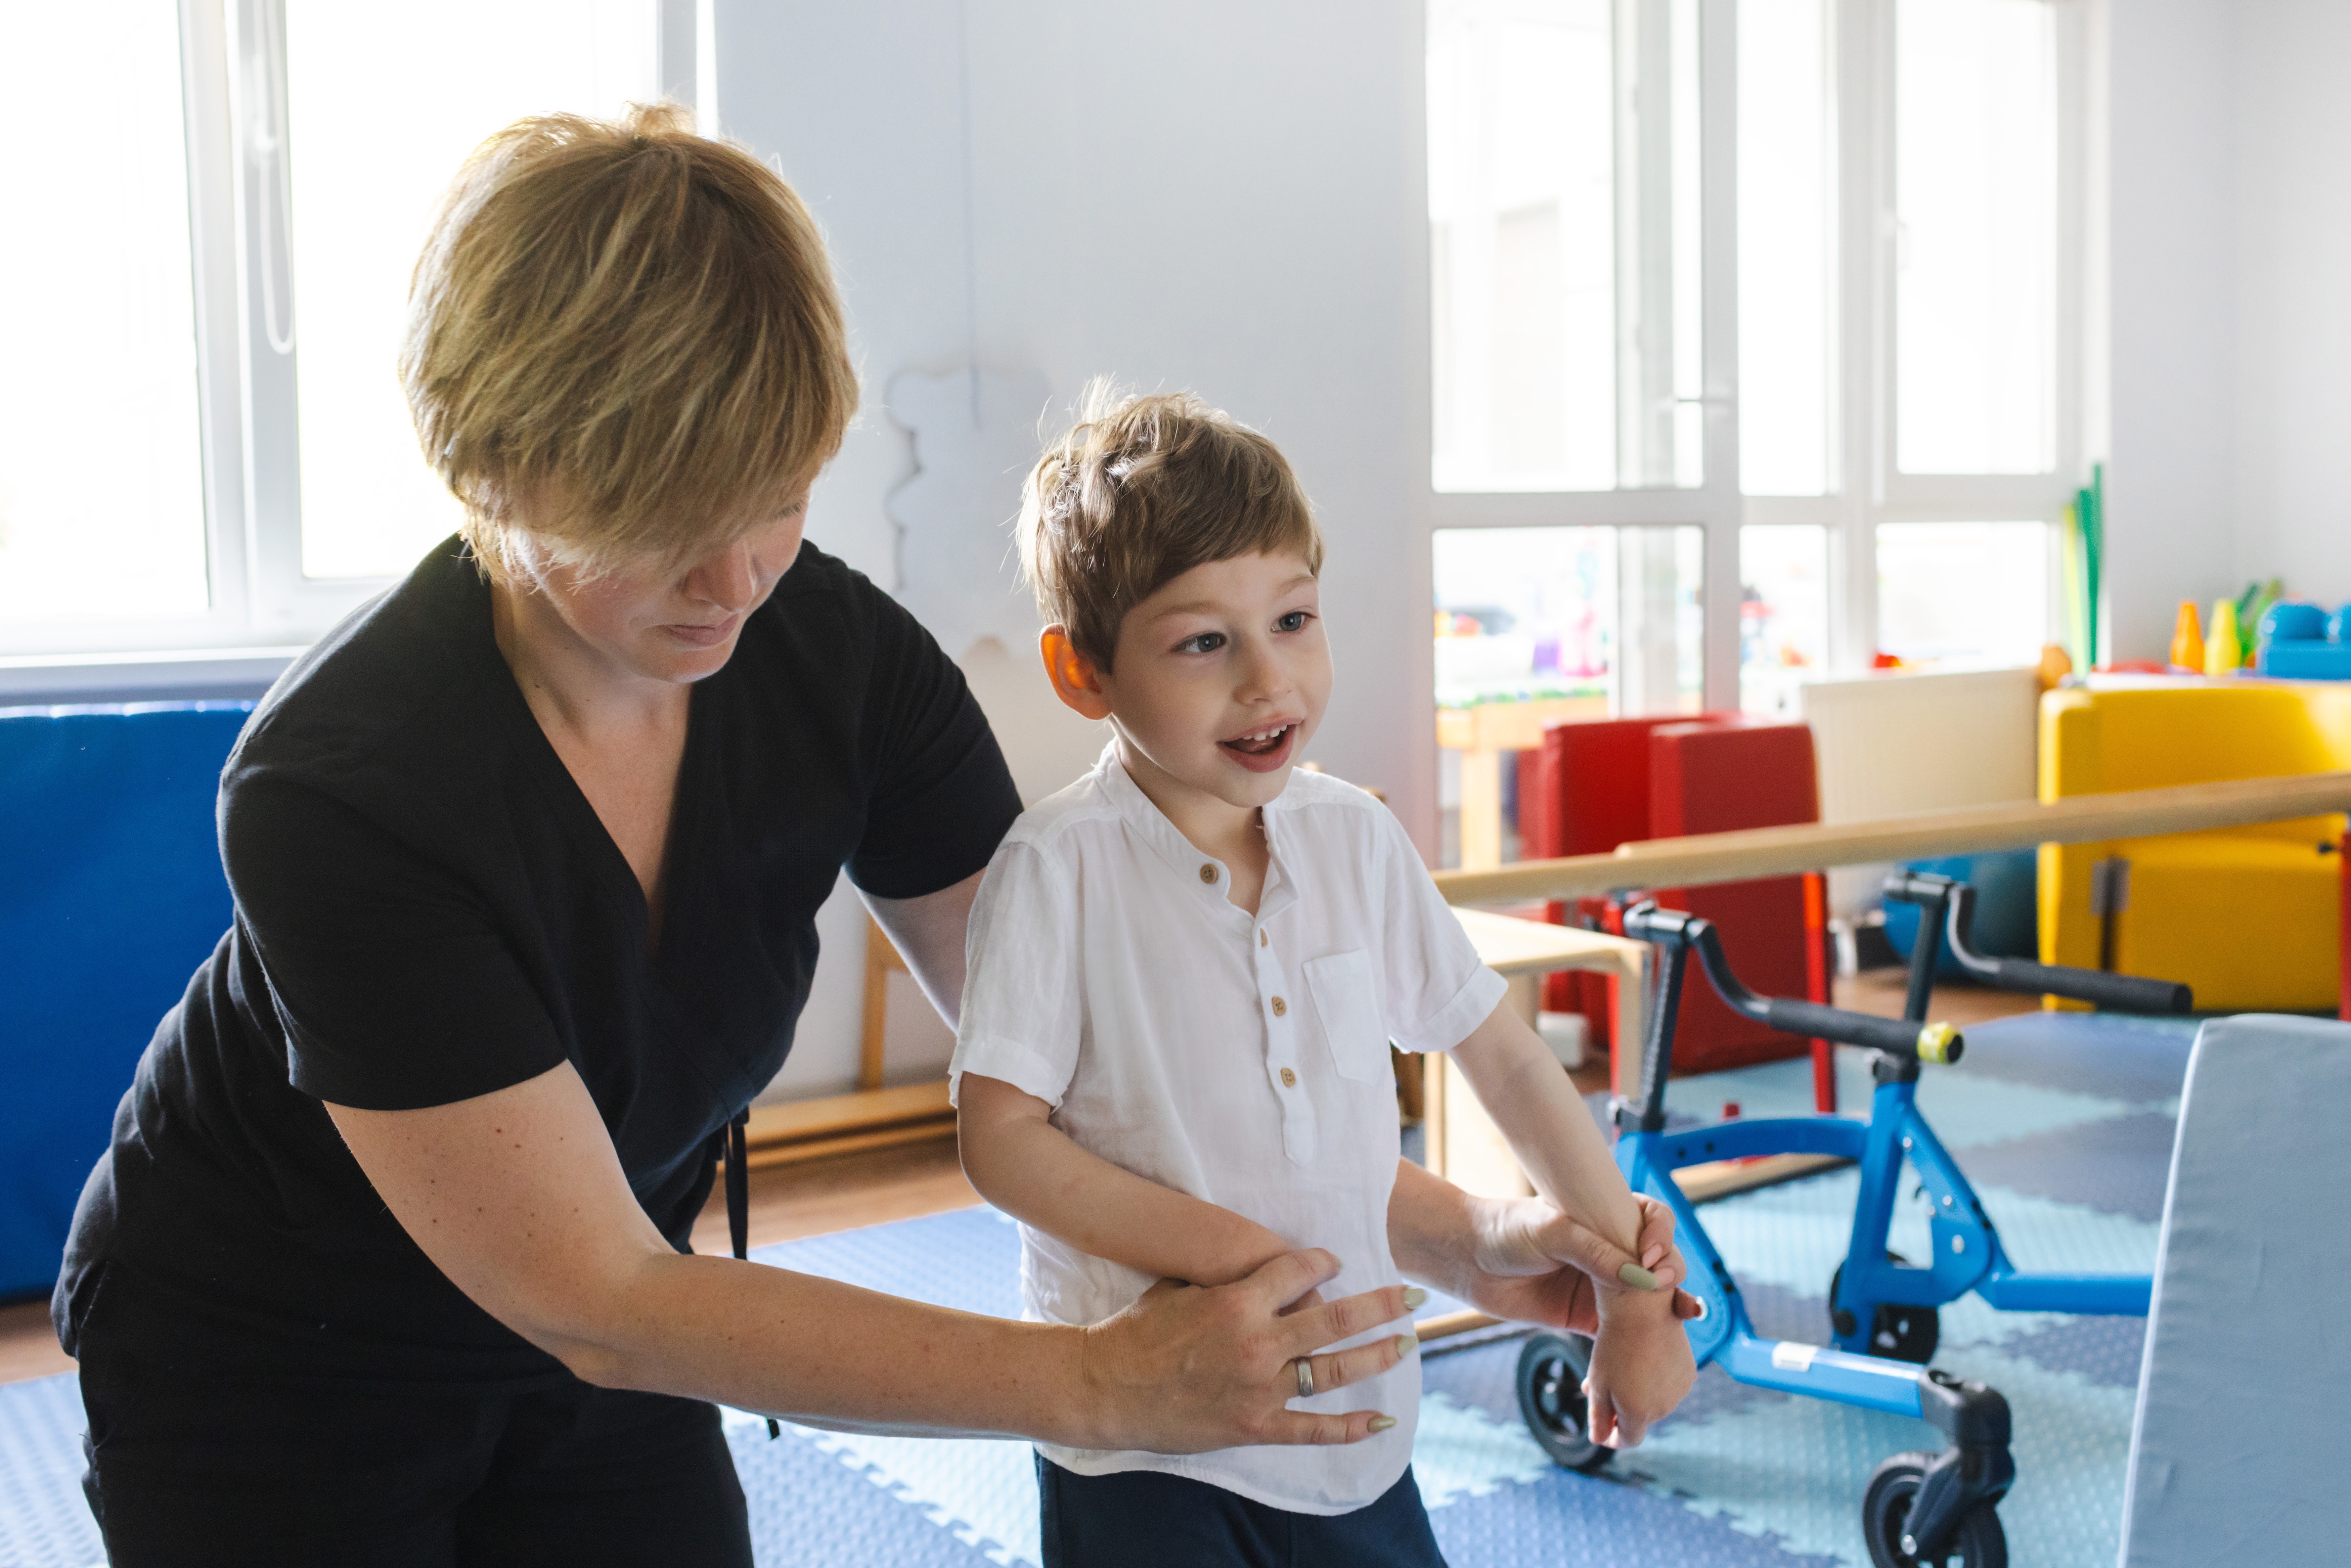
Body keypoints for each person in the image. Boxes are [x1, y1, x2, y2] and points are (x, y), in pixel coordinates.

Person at [51, 107, 1683, 1567]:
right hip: (276, 1349)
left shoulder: (835, 661)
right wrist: (1101, 1385)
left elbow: (1126, 1077)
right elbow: (599, 1298)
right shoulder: (345, 782)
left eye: (775, 494)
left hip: (629, 1323)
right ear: (488, 469)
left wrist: (1456, 1235)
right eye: (661, 526)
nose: (735, 578)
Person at [952, 389, 1700, 1567]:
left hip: (1353, 1423)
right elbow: (1002, 1140)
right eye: (1206, 641)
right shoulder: (1057, 867)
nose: (1267, 681)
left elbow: (1504, 1057)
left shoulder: (1355, 838)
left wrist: (1633, 1294)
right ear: (1082, 669)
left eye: (1294, 619)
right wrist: (1237, 1260)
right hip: (1145, 1448)